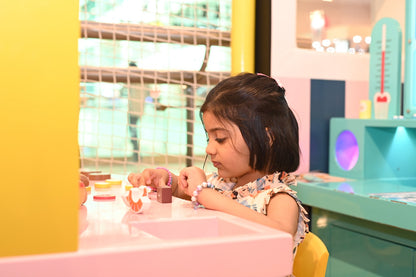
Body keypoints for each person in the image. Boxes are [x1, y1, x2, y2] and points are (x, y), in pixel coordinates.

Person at [128, 72, 309, 254]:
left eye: (220, 138)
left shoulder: (278, 197)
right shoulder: (223, 183)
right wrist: (164, 179)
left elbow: (282, 233)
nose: (209, 149)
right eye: (209, 138)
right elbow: (182, 189)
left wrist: (205, 194)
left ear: (267, 137)